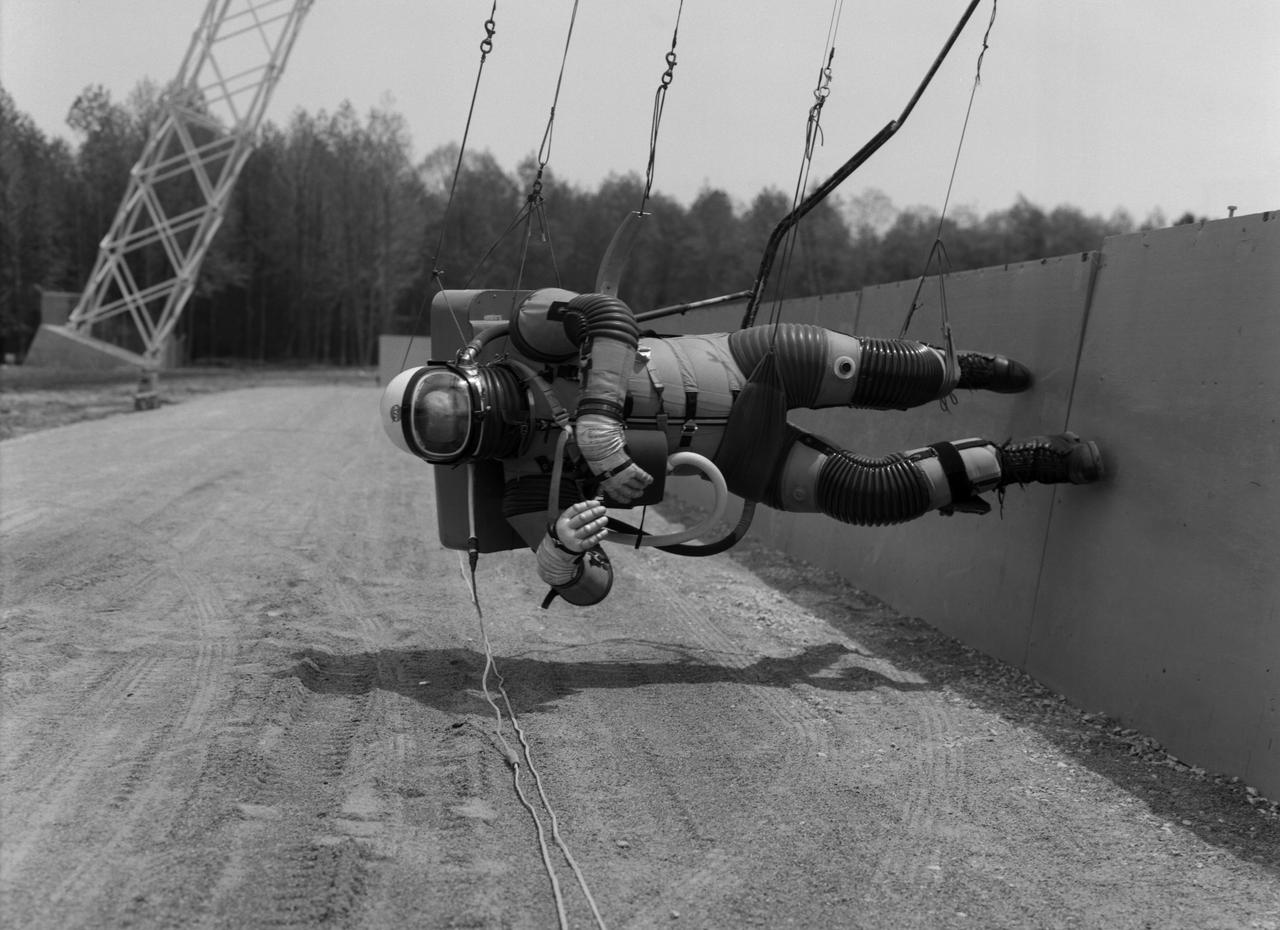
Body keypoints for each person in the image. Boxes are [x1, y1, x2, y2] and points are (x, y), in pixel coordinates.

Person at [381, 288, 1103, 606]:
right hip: (738, 463)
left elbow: (608, 314)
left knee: (890, 372)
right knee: (864, 494)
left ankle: (961, 369)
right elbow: (594, 589)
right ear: (455, 455)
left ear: (461, 374)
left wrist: (598, 414)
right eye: (446, 432)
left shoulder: (528, 332)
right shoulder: (524, 490)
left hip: (744, 364)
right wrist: (563, 554)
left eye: (446, 404)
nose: (464, 418)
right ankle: (1022, 462)